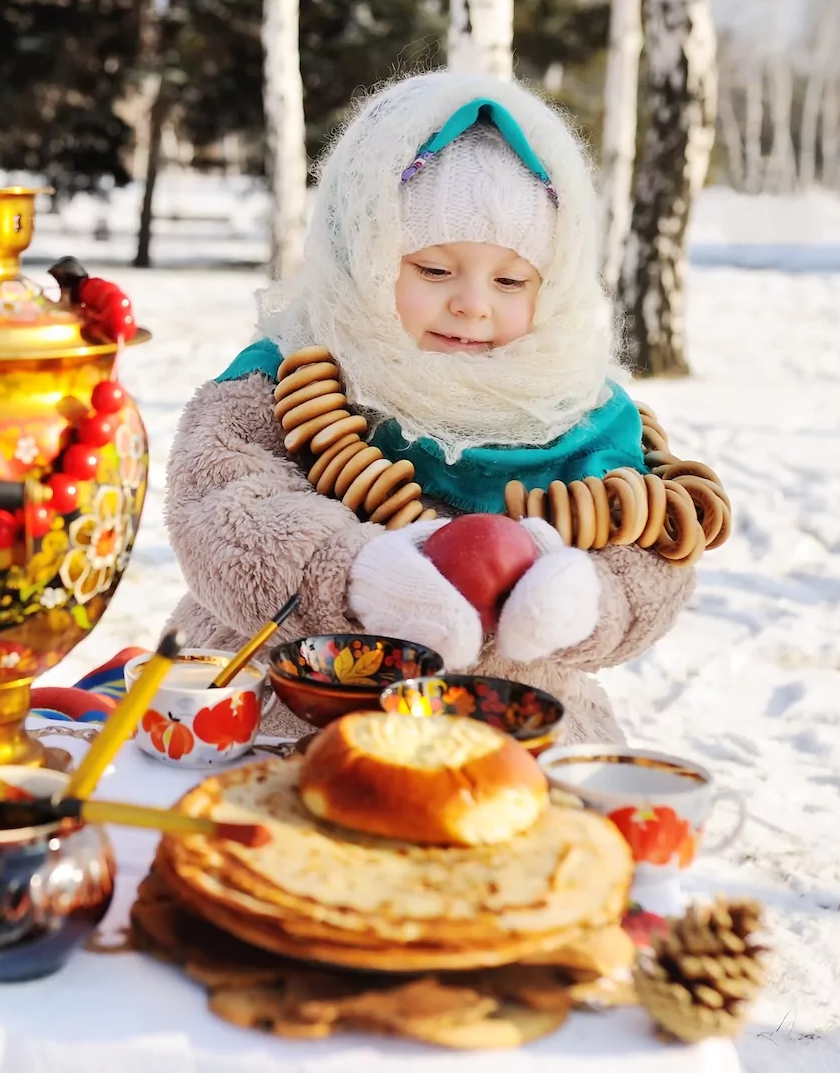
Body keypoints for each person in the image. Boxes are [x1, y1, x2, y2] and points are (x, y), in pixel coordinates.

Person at [162, 70, 699, 745]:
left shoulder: (584, 413)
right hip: (291, 697)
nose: (472, 303)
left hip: (503, 718)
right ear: (365, 256)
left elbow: (656, 550)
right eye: (435, 271)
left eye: (510, 281)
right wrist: (354, 573)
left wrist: (587, 597)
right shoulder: (286, 375)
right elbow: (225, 502)